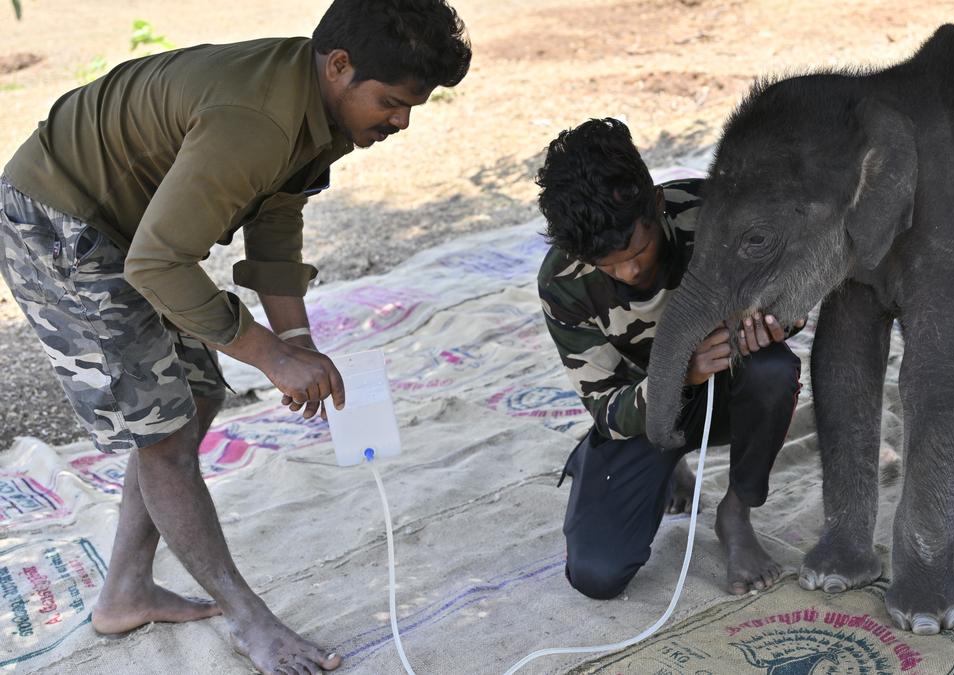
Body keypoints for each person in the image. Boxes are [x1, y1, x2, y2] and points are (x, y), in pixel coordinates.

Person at [0, 1, 470, 671]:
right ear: (339, 66)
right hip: (59, 218)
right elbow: (160, 263)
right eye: (392, 102)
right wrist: (270, 353)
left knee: (193, 395)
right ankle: (251, 622)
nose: (401, 121)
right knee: (161, 431)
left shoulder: (315, 100)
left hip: (129, 229)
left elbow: (276, 216)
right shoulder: (258, 119)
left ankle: (126, 589)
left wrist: (296, 338)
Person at [535, 118, 806, 600]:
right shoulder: (564, 279)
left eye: (638, 248)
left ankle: (736, 514)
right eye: (610, 264)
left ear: (656, 204)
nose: (632, 269)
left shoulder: (717, 217)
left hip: (728, 390)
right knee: (597, 575)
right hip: (642, 414)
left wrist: (776, 322)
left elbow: (792, 295)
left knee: (774, 368)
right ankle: (651, 462)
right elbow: (609, 408)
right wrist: (681, 372)